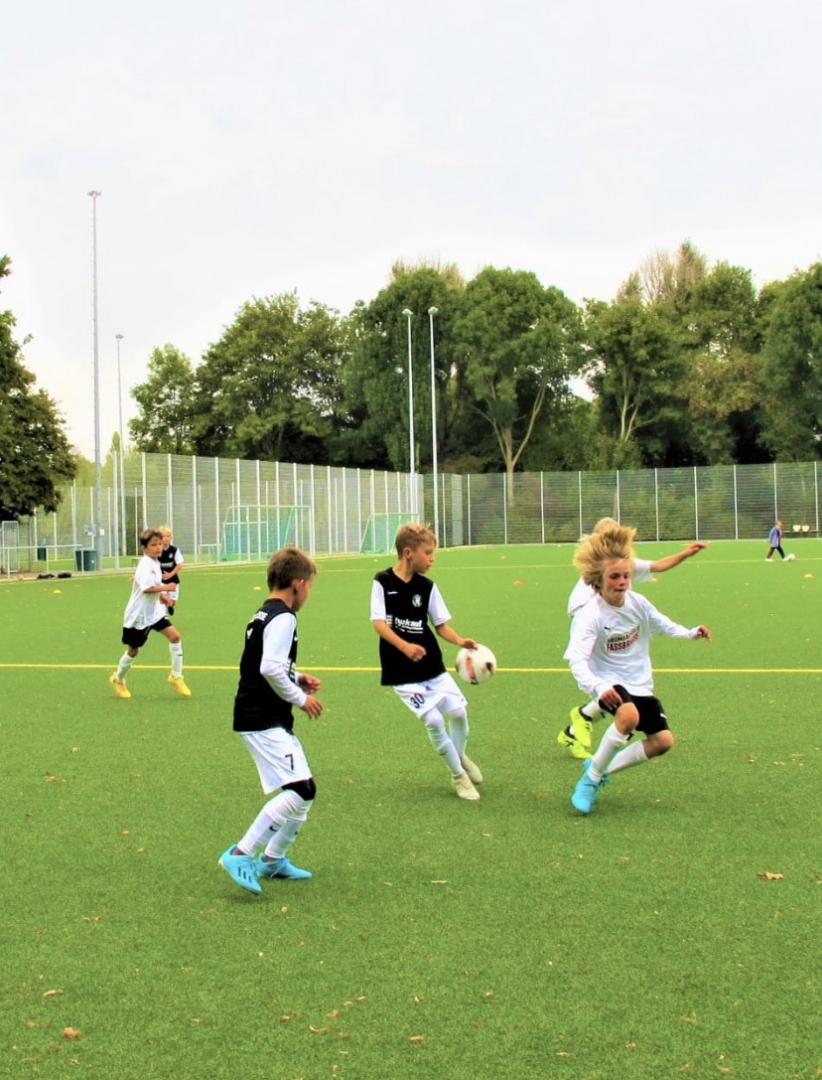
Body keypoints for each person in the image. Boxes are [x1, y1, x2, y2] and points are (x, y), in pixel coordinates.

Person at [565, 523, 711, 815]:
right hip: (608, 679)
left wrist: (690, 632)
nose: (622, 582)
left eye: (626, 576)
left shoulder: (638, 603)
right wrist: (599, 687)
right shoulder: (590, 615)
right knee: (628, 716)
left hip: (639, 681)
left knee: (662, 742)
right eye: (614, 577)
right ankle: (590, 780)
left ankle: (599, 768)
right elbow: (577, 660)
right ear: (598, 580)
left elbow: (663, 623)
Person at [219, 546, 323, 895]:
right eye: (310, 586)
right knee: (300, 790)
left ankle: (273, 859)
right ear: (298, 584)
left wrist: (298, 678)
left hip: (261, 713)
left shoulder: (262, 614)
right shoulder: (284, 617)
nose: (309, 593)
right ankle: (241, 853)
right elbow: (268, 668)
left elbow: (265, 664)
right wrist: (301, 698)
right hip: (261, 715)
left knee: (305, 790)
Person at [370, 522, 483, 801]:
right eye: (428, 553)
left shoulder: (428, 587)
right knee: (433, 719)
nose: (433, 559)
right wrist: (405, 647)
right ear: (409, 553)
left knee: (459, 713)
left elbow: (441, 625)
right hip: (400, 669)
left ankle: (457, 756)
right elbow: (379, 623)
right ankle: (458, 776)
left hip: (430, 664)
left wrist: (460, 641)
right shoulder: (382, 581)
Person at [109, 527, 191, 699]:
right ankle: (118, 679)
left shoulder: (155, 562)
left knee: (175, 637)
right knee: (133, 651)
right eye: (154, 545)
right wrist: (168, 588)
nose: (158, 547)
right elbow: (147, 588)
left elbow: (151, 585)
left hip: (155, 613)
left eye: (160, 544)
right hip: (138, 616)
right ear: (144, 548)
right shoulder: (145, 564)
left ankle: (176, 676)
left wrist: (163, 597)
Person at [158, 526, 184, 615]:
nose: (165, 538)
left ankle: (170, 605)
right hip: (161, 580)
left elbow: (179, 565)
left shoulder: (175, 550)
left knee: (172, 602)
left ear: (171, 537)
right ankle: (162, 616)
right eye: (163, 536)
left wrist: (170, 574)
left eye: (168, 536)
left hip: (173, 580)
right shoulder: (157, 551)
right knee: (163, 599)